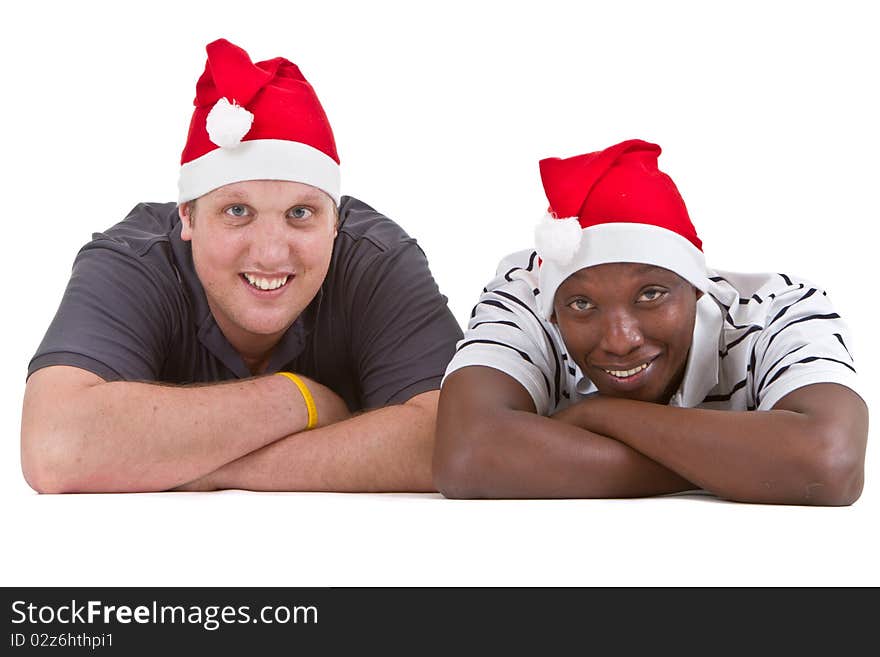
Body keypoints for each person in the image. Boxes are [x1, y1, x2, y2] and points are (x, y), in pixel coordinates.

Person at [22, 39, 462, 494]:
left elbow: (455, 439)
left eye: (300, 214)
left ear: (335, 222)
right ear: (187, 217)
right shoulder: (134, 262)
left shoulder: (377, 262)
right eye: (237, 211)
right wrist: (297, 400)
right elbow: (55, 447)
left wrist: (209, 468)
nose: (271, 254)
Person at [434, 139, 867, 505]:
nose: (620, 341)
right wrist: (739, 467)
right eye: (582, 304)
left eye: (651, 295)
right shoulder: (527, 295)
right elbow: (467, 452)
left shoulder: (780, 310)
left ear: (698, 286)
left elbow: (830, 461)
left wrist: (602, 415)